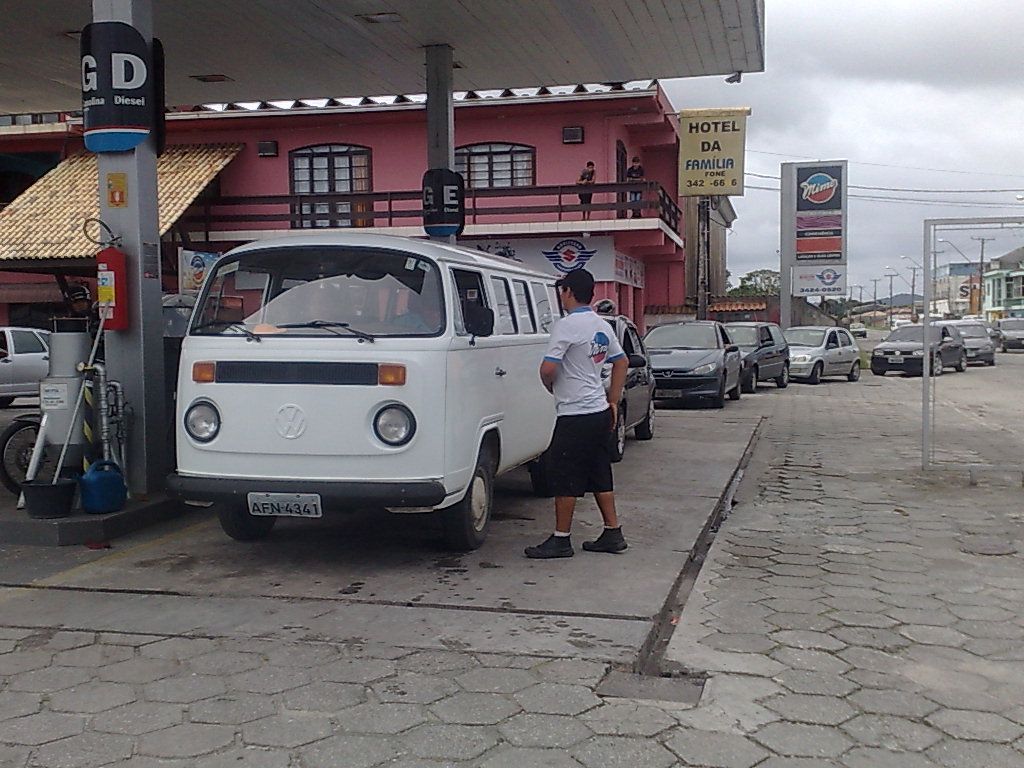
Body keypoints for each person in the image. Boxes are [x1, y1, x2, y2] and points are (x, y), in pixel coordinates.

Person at [525, 268, 629, 559]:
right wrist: (613, 400)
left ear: (568, 292)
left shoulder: (567, 325)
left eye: (562, 290)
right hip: (598, 409)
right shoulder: (602, 325)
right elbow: (621, 362)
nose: (561, 295)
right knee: (599, 469)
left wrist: (550, 385)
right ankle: (612, 531)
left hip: (575, 413)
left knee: (563, 473)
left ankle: (561, 539)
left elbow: (548, 368)